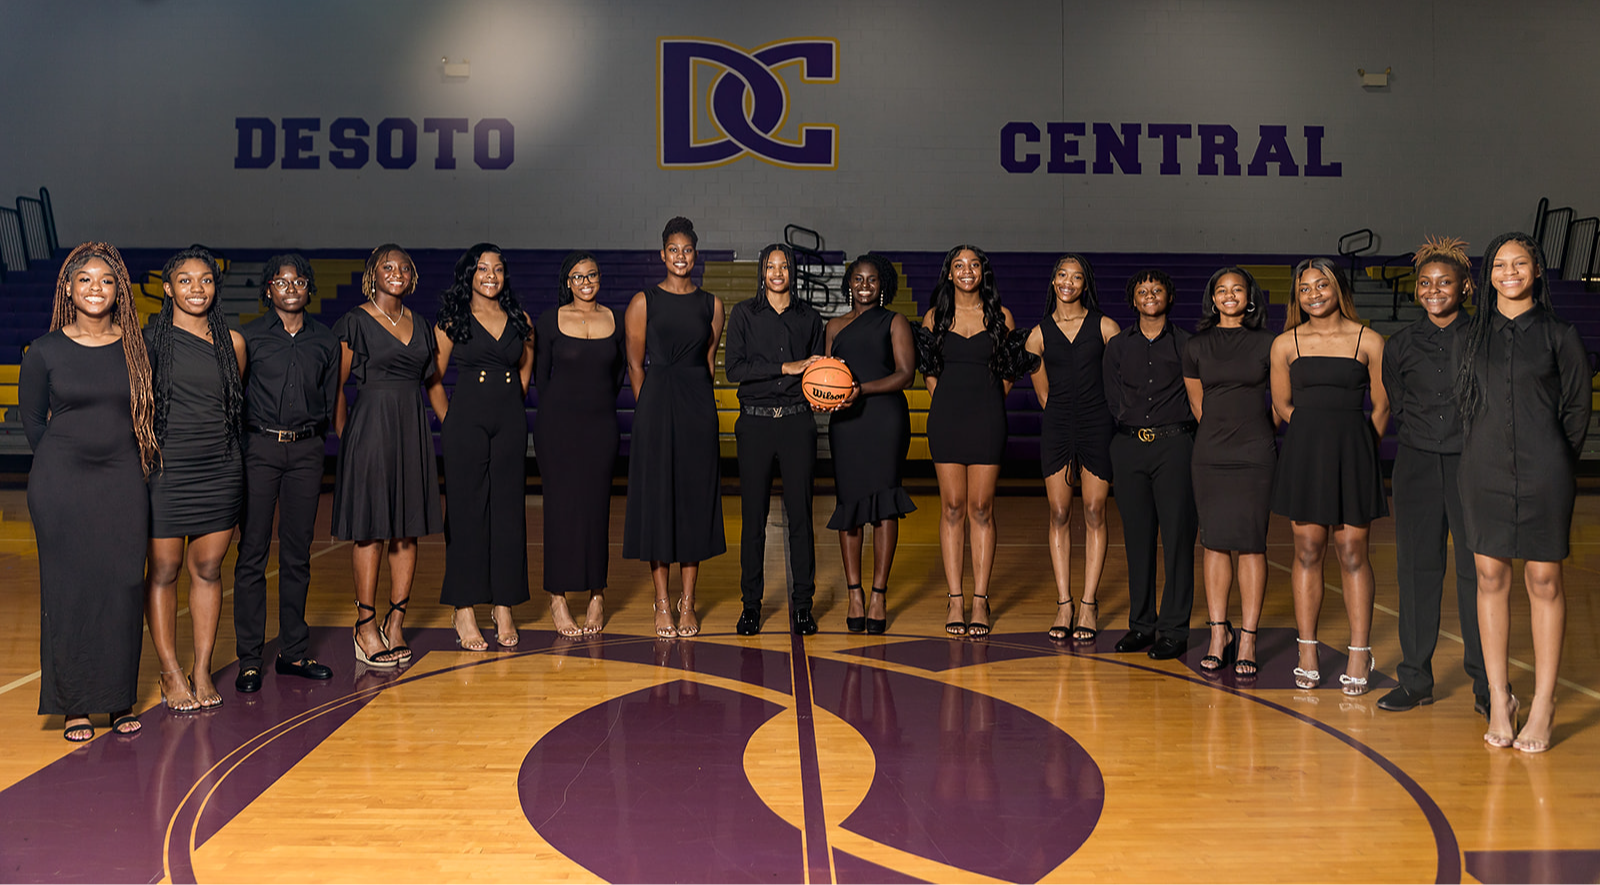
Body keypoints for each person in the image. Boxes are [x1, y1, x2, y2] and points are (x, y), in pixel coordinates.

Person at [1455, 232, 1589, 752]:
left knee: (1544, 580)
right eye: (1499, 265)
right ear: (1487, 276)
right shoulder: (1473, 336)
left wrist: (1555, 461)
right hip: (1483, 470)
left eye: (1520, 263)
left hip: (1545, 472)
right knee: (1489, 576)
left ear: (1536, 271)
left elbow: (1577, 412)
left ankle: (1545, 703)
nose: (1509, 272)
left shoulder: (1561, 334)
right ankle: (1500, 696)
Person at [20, 242, 160, 740]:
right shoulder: (45, 350)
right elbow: (34, 422)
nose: (95, 288)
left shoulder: (137, 345)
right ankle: (75, 704)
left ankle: (118, 699)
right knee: (69, 590)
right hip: (62, 484)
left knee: (123, 585)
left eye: (105, 280)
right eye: (85, 280)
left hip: (122, 478)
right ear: (69, 289)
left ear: (118, 288)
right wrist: (65, 461)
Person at [1376, 238, 1488, 714]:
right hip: (1418, 465)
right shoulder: (1399, 345)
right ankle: (1416, 680)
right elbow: (1398, 403)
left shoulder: (1487, 337)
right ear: (1417, 291)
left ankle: (1487, 684)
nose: (1434, 290)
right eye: (1425, 283)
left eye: (1445, 282)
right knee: (1417, 571)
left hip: (1473, 464)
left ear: (1465, 287)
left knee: (1477, 573)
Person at [1269, 258, 1388, 694]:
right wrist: (1315, 438)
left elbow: (1381, 407)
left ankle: (1359, 651)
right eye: (1305, 288)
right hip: (1305, 453)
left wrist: (1358, 449)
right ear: (1296, 296)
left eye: (1322, 285)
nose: (1314, 293)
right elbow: (1282, 406)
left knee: (1354, 552)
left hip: (1352, 453)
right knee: (1307, 549)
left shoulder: (1368, 340)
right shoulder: (1285, 343)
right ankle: (1308, 650)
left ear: (1338, 289)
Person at [143, 246, 247, 711]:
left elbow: (231, 410)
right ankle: (169, 671)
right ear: (168, 289)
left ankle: (202, 668)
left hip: (219, 468)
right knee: (163, 571)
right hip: (165, 471)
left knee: (207, 569)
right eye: (185, 281)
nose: (196, 289)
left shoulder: (234, 343)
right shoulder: (147, 342)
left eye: (205, 280)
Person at [333, 244, 445, 667]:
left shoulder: (421, 323)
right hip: (371, 428)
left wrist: (446, 422)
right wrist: (347, 435)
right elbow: (337, 385)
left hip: (410, 427)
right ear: (372, 275)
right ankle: (364, 625)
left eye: (403, 268)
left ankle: (396, 622)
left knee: (407, 529)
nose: (395, 273)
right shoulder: (355, 321)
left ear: (412, 277)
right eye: (387, 267)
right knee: (372, 529)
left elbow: (432, 380)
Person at [233, 254, 340, 693]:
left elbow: (331, 399)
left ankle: (293, 652)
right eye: (281, 280)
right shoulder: (249, 338)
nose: (291, 287)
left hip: (306, 452)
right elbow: (234, 398)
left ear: (309, 289)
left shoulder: (326, 341)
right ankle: (250, 660)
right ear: (268, 290)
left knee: (297, 554)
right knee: (252, 554)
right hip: (259, 448)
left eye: (299, 281)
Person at [918, 245, 1029, 638]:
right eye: (959, 265)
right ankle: (955, 598)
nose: (967, 271)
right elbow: (929, 370)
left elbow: (1010, 370)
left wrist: (987, 399)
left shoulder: (1001, 317)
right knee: (952, 507)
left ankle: (980, 599)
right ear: (949, 273)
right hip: (947, 418)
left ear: (984, 272)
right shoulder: (935, 317)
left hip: (987, 416)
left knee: (981, 506)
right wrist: (946, 400)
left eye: (974, 265)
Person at [623, 217, 726, 638]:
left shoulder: (712, 305)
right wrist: (648, 406)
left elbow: (709, 359)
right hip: (657, 403)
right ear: (662, 254)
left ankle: (688, 603)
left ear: (694, 255)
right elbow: (634, 362)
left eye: (687, 250)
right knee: (659, 502)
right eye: (673, 249)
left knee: (692, 503)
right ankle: (662, 601)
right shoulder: (643, 301)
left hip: (697, 405)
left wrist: (698, 402)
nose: (680, 256)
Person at [435, 243, 533, 650]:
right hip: (465, 424)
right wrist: (452, 422)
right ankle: (463, 608)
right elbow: (433, 379)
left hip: (509, 422)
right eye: (482, 268)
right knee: (466, 514)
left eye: (497, 268)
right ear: (469, 275)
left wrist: (511, 405)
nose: (490, 275)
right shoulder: (451, 321)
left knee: (509, 511)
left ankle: (504, 605)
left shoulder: (520, 318)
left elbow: (526, 366)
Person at [725, 244, 825, 635]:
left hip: (798, 423)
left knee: (801, 517)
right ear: (762, 272)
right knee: (753, 520)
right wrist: (787, 367)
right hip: (755, 424)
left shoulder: (810, 317)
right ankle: (751, 605)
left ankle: (803, 605)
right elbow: (735, 369)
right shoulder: (744, 315)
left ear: (793, 271)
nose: (778, 271)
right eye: (771, 265)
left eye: (784, 265)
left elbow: (817, 374)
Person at [1182, 267, 1277, 675]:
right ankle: (1219, 632)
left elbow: (1280, 399)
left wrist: (1256, 431)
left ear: (1250, 296)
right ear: (1212, 298)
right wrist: (1221, 431)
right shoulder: (1196, 344)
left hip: (1255, 452)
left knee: (1253, 543)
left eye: (1237, 289)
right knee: (1215, 541)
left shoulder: (1269, 343)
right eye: (1221, 290)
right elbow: (1197, 403)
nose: (1230, 295)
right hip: (1211, 453)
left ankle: (1249, 637)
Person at [1103, 270, 1197, 660]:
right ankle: (1141, 626)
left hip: (1175, 446)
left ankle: (1174, 629)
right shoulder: (1118, 346)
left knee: (1177, 539)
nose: (1150, 295)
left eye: (1157, 289)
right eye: (1142, 290)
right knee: (1137, 540)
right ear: (1134, 299)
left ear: (1169, 296)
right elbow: (1111, 396)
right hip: (1129, 449)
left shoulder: (1187, 344)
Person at [1025, 254, 1119, 643]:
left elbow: (1119, 377)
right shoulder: (1037, 334)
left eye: (1076, 276)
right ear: (1053, 282)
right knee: (1060, 511)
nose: (1068, 282)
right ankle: (1064, 603)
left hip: (1098, 424)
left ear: (1086, 284)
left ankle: (1089, 603)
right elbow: (1044, 393)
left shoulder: (1106, 326)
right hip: (1059, 426)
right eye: (1062, 275)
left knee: (1096, 509)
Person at [824, 254, 916, 634]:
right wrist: (825, 396)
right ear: (849, 283)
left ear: (883, 286)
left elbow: (905, 375)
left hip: (884, 420)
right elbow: (826, 375)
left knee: (883, 508)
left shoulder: (894, 322)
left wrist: (861, 390)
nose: (864, 285)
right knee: (850, 507)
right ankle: (855, 594)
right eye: (858, 279)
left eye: (872, 279)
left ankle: (878, 593)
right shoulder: (833, 326)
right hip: (845, 423)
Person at [535, 251, 625, 636]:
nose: (586, 282)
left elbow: (619, 372)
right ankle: (557, 597)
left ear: (599, 279)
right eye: (577, 276)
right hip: (558, 428)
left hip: (601, 427)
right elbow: (541, 377)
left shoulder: (615, 320)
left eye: (592, 275)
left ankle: (596, 595)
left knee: (596, 510)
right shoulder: (550, 320)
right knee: (558, 511)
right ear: (567, 282)